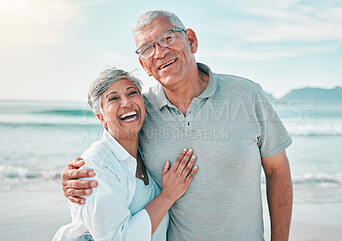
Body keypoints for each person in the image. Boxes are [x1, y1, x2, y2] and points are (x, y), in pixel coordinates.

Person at [61, 10, 293, 241]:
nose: (160, 52)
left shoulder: (247, 94)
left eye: (168, 38)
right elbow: (114, 146)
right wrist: (76, 177)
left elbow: (277, 170)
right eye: (147, 48)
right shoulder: (141, 108)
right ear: (144, 64)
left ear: (191, 40)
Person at [53, 68, 198, 241]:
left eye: (132, 93)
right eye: (113, 98)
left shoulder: (147, 151)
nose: (127, 103)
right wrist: (167, 196)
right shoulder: (95, 166)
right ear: (101, 117)